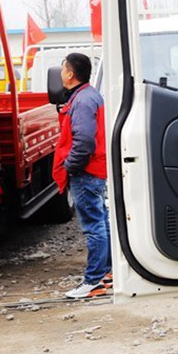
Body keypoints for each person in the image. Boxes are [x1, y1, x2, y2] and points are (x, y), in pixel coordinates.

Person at [52, 53, 111, 299]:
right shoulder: (90, 95)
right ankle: (107, 274)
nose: (60, 74)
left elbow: (84, 141)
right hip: (94, 169)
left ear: (70, 74)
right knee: (101, 221)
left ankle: (94, 280)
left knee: (94, 226)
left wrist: (70, 166)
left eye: (62, 69)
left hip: (86, 172)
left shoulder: (83, 101)